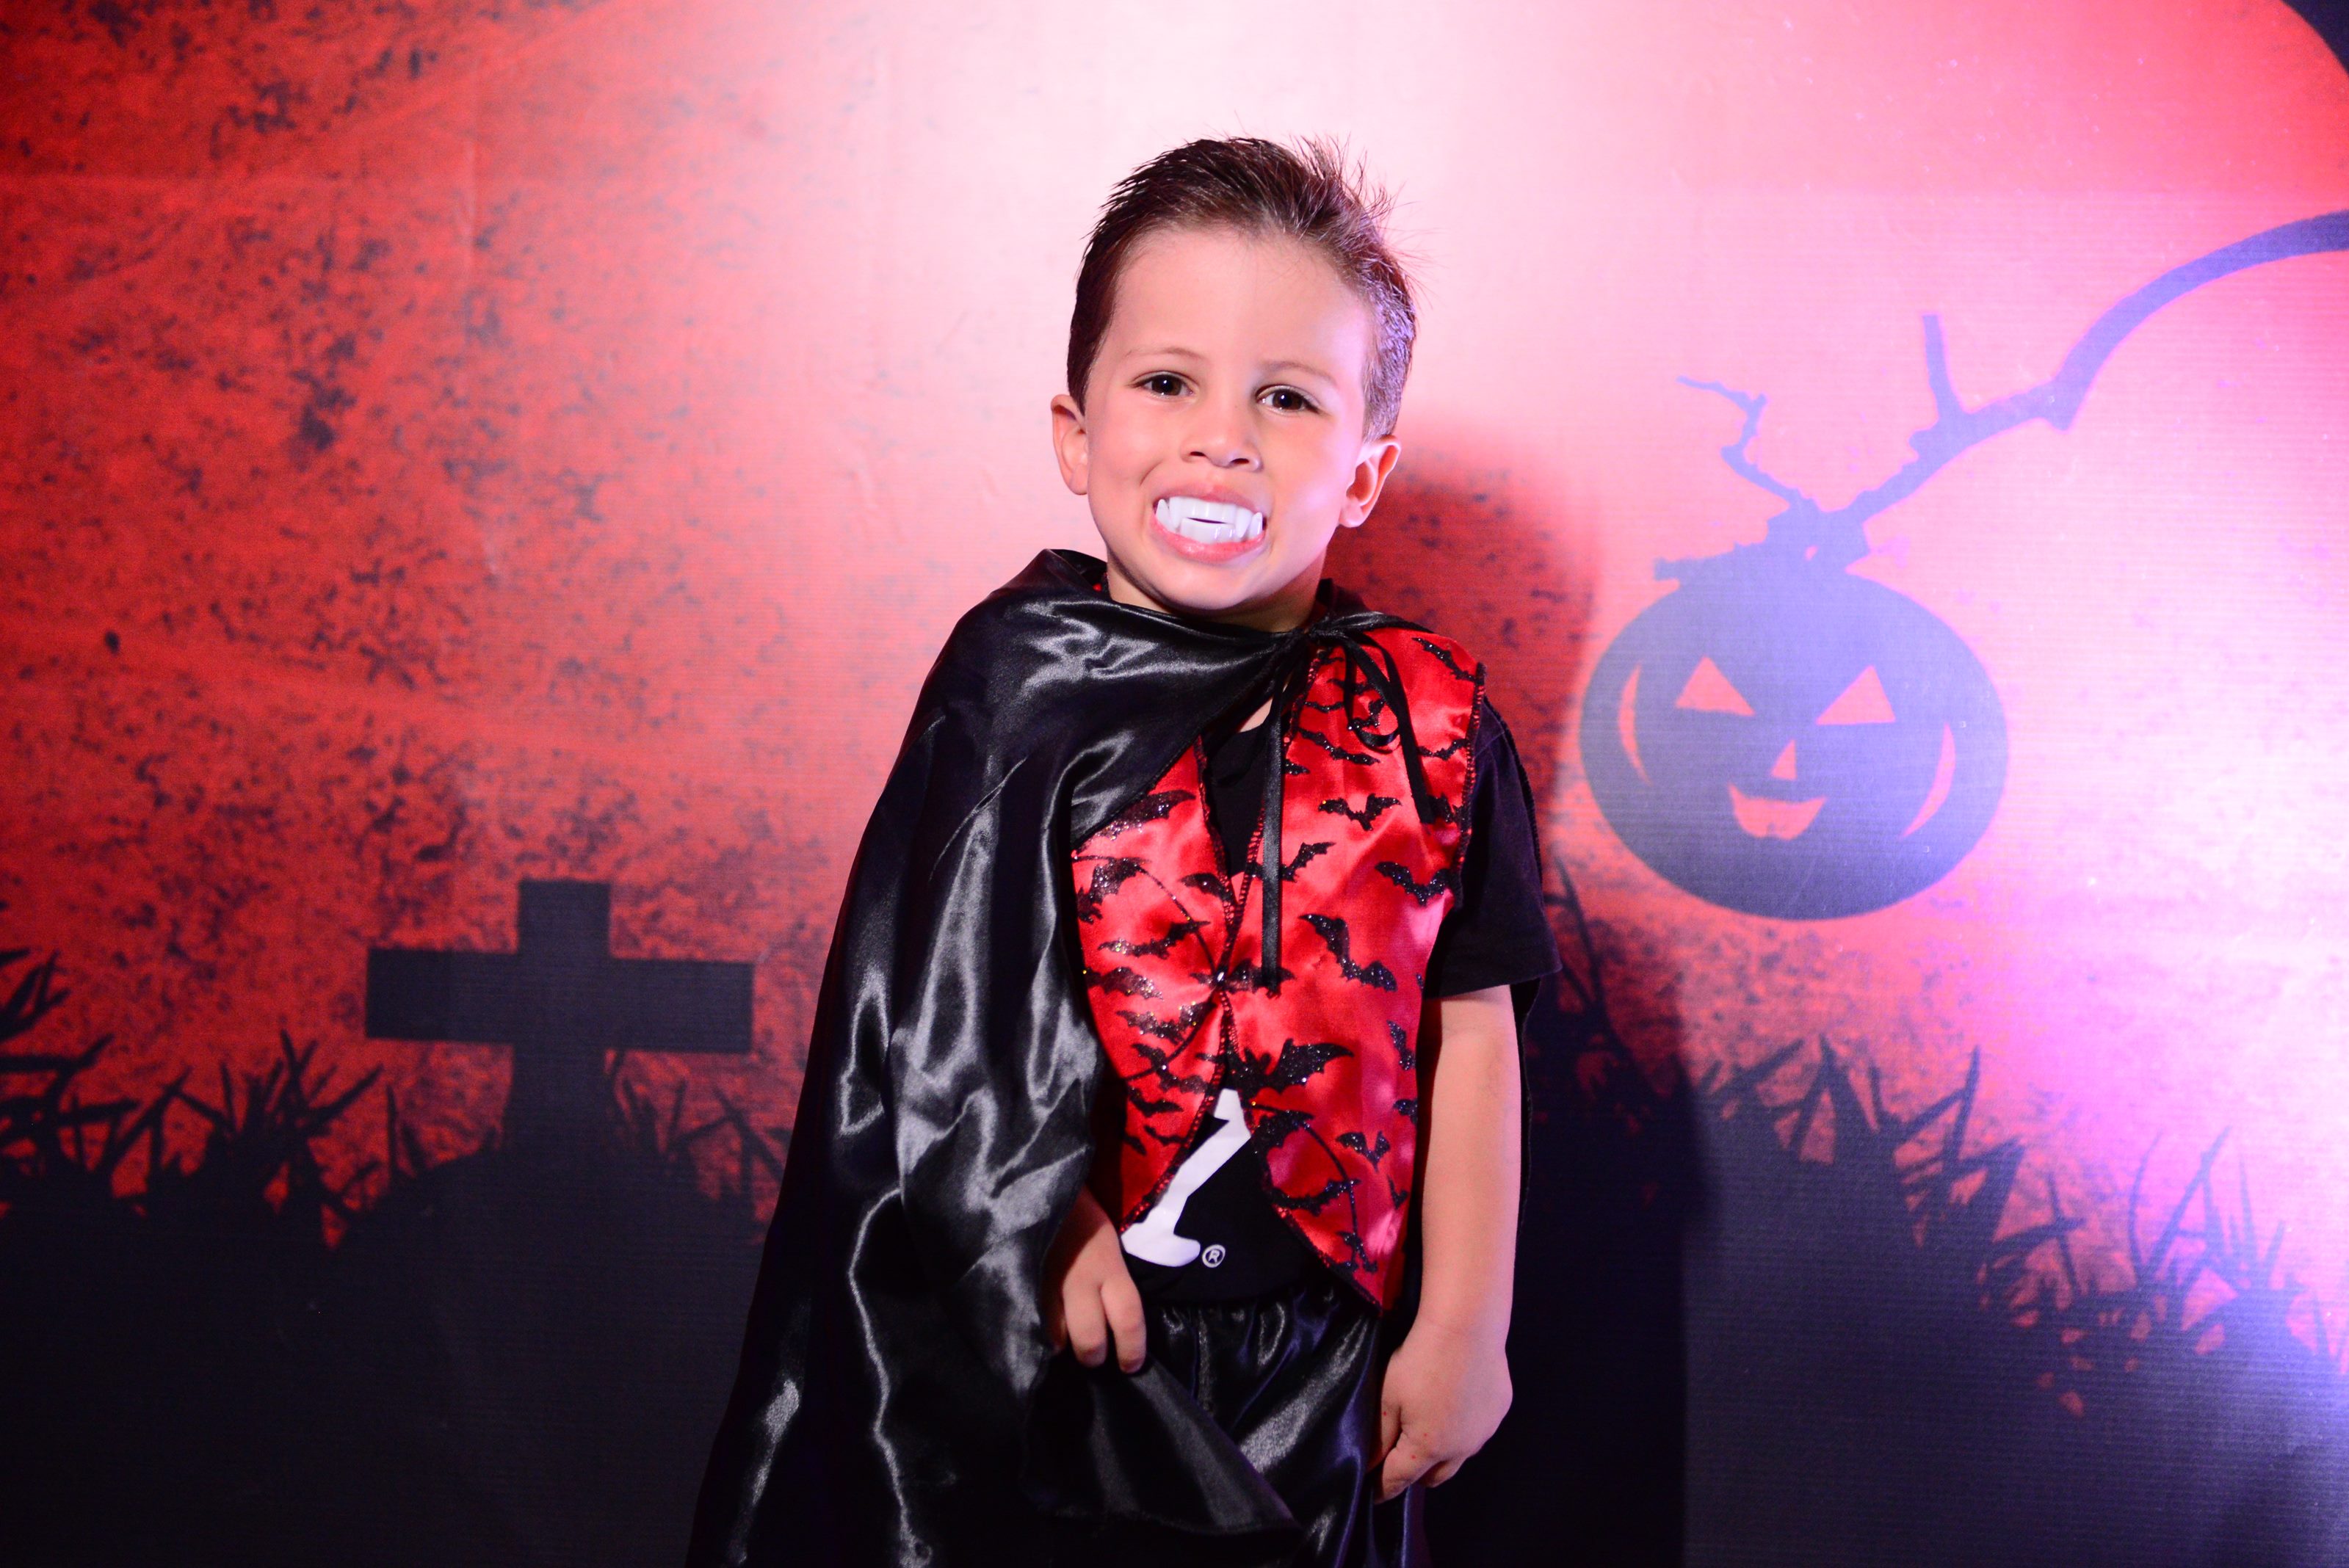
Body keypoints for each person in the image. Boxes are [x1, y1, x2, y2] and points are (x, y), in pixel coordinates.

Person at [688, 137, 1560, 1568]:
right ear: (1075, 432)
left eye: (1288, 398)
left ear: (1363, 473)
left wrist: (1467, 1322)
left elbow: (1471, 1032)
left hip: (1316, 1359)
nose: (1223, 439)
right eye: (1167, 383)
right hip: (1059, 1342)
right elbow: (920, 1021)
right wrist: (1036, 1223)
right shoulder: (1012, 686)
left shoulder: (1431, 720)